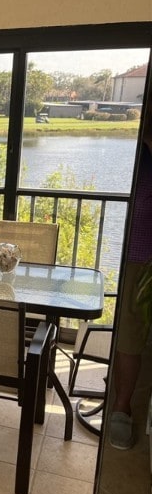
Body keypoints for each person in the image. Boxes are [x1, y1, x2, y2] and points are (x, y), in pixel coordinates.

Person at [110, 126, 152, 449]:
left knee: (132, 335)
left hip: (141, 256)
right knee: (129, 334)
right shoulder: (140, 153)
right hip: (138, 255)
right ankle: (121, 407)